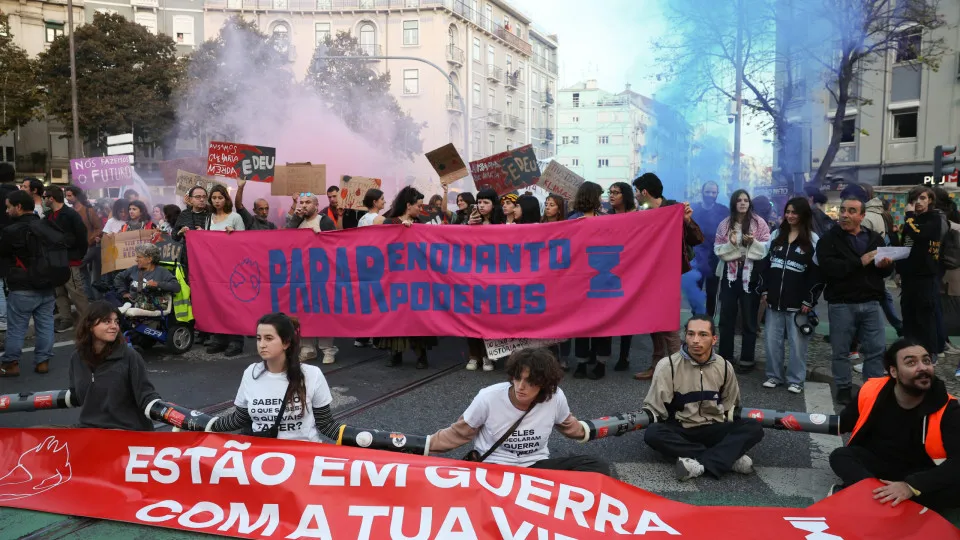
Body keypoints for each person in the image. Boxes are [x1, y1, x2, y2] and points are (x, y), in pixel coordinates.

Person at [428, 347, 610, 475]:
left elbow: (571, 427)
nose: (520, 387)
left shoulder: (555, 397)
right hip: (494, 469)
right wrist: (411, 446)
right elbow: (457, 434)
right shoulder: (488, 397)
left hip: (535, 468)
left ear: (544, 384)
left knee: (597, 466)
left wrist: (613, 426)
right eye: (517, 378)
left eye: (530, 382)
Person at [829, 339, 960, 513]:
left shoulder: (949, 408)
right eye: (911, 362)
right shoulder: (872, 391)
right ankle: (884, 498)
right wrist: (787, 420)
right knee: (841, 456)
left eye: (926, 361)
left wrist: (910, 486)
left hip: (921, 474)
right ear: (894, 371)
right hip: (878, 466)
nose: (922, 367)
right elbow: (843, 423)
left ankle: (864, 495)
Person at [642, 316, 763, 481]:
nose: (695, 340)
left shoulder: (724, 367)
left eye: (703, 335)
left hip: (713, 427)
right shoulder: (667, 366)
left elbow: (731, 406)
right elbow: (656, 409)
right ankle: (725, 458)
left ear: (714, 339)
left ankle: (698, 463)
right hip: (681, 428)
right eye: (690, 334)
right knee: (653, 433)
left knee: (754, 427)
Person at [210, 313, 345, 441]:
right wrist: (199, 423)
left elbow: (326, 424)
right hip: (261, 455)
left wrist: (362, 438)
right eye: (259, 338)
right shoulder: (251, 373)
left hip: (303, 456)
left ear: (286, 343)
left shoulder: (312, 374)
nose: (262, 344)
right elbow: (239, 419)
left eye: (269, 338)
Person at [816, 197, 894, 406]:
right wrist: (859, 261)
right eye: (843, 210)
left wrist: (885, 265)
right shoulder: (829, 239)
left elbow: (886, 271)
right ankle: (843, 387)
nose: (845, 215)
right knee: (841, 350)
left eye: (851, 211)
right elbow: (829, 269)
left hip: (871, 302)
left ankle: (872, 389)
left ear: (862, 216)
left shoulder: (874, 238)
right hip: (842, 303)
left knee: (876, 349)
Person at [633, 173, 704, 379]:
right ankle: (657, 366)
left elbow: (697, 238)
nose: (636, 195)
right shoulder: (643, 213)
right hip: (649, 274)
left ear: (644, 192)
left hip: (669, 273)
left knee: (668, 322)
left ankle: (676, 370)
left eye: (637, 191)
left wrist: (687, 221)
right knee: (653, 321)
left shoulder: (675, 209)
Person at [756, 197, 823, 394]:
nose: (790, 216)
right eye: (788, 211)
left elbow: (817, 273)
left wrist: (809, 299)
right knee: (771, 342)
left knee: (797, 345)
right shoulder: (776, 235)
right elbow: (764, 265)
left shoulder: (813, 240)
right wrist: (765, 290)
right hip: (774, 301)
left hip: (799, 305)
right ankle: (774, 376)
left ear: (803, 215)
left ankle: (796, 380)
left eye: (795, 212)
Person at [67, 301, 161, 430]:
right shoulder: (76, 358)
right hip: (89, 429)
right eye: (107, 321)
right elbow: (76, 395)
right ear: (89, 325)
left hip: (127, 431)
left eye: (116, 322)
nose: (114, 326)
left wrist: (177, 415)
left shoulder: (130, 356)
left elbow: (147, 396)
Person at [375, 187, 438, 368]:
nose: (421, 209)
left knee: (417, 316)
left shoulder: (421, 225)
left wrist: (414, 231)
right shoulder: (388, 223)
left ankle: (420, 354)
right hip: (394, 279)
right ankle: (395, 353)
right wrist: (399, 231)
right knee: (395, 316)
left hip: (417, 280)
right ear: (408, 205)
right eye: (418, 205)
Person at [0, 191, 57, 377]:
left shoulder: (10, 231)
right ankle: (43, 362)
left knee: (16, 327)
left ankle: (11, 364)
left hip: (22, 286)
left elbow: (4, 256)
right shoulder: (48, 226)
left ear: (18, 207)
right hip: (47, 284)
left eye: (9, 207)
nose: (7, 211)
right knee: (46, 324)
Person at [714, 189, 770, 374]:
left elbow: (765, 249)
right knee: (726, 318)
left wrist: (751, 243)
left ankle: (747, 359)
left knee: (749, 319)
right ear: (734, 203)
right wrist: (731, 245)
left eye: (746, 200)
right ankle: (725, 358)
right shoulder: (725, 224)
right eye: (739, 200)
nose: (743, 203)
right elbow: (718, 250)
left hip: (750, 276)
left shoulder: (758, 223)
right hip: (730, 277)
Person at [568, 182, 614, 380]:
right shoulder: (571, 220)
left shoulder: (606, 219)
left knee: (604, 322)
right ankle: (581, 361)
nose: (601, 199)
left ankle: (601, 362)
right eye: (599, 196)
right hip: (580, 279)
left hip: (602, 277)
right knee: (581, 322)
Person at [288, 193, 336, 363]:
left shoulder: (325, 221)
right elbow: (285, 239)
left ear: (316, 205)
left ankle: (328, 349)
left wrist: (321, 235)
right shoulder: (297, 221)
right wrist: (295, 218)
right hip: (301, 274)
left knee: (323, 313)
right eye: (302, 202)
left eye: (308, 202)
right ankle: (307, 348)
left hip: (321, 275)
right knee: (303, 311)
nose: (304, 205)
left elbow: (335, 244)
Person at [897, 186, 942, 360]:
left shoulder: (934, 218)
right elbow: (906, 245)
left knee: (925, 315)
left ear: (930, 200)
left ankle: (929, 352)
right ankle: (909, 350)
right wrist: (899, 270)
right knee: (908, 314)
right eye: (915, 199)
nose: (918, 202)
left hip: (925, 276)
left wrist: (909, 218)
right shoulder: (912, 220)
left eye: (923, 198)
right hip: (909, 275)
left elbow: (921, 235)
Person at [205, 185, 246, 357]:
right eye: (214, 198)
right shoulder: (208, 218)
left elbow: (245, 242)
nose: (217, 201)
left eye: (220, 198)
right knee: (216, 303)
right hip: (213, 268)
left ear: (226, 199)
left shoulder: (235, 217)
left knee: (233, 304)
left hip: (232, 268)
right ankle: (219, 338)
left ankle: (236, 340)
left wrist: (234, 235)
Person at [44, 186, 89, 334]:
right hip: (55, 261)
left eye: (45, 197)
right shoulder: (48, 216)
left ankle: (87, 321)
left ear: (51, 198)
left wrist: (78, 255)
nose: (44, 199)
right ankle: (66, 319)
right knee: (60, 293)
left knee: (76, 292)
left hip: (70, 260)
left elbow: (82, 236)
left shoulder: (70, 215)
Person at [692, 181, 729, 317]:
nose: (710, 195)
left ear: (717, 194)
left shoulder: (723, 210)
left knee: (712, 292)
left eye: (713, 192)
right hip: (696, 257)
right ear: (702, 192)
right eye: (708, 192)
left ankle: (709, 322)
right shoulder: (694, 209)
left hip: (715, 257)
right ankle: (695, 319)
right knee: (694, 291)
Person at [113, 243, 181, 317]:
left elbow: (176, 287)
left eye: (139, 257)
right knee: (109, 295)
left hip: (149, 304)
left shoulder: (162, 271)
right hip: (131, 301)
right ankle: (124, 307)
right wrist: (123, 292)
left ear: (149, 259)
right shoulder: (134, 269)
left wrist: (157, 284)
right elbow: (119, 278)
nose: (136, 260)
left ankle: (124, 308)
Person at [65, 186, 104, 302]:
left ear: (76, 196)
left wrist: (89, 240)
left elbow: (98, 228)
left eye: (69, 195)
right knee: (82, 274)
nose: (67, 198)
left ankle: (91, 299)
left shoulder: (88, 210)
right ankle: (89, 299)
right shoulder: (69, 212)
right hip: (76, 248)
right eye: (66, 195)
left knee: (81, 271)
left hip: (89, 247)